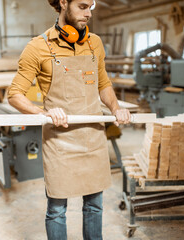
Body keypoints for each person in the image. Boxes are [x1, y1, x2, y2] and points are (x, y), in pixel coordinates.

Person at [7, 0, 131, 239]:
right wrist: (43, 113)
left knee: (94, 205)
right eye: (83, 6)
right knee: (56, 210)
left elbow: (103, 83)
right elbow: (15, 95)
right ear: (64, 2)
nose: (88, 14)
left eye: (91, 8)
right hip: (59, 142)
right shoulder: (38, 47)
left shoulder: (94, 43)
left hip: (92, 137)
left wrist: (116, 107)